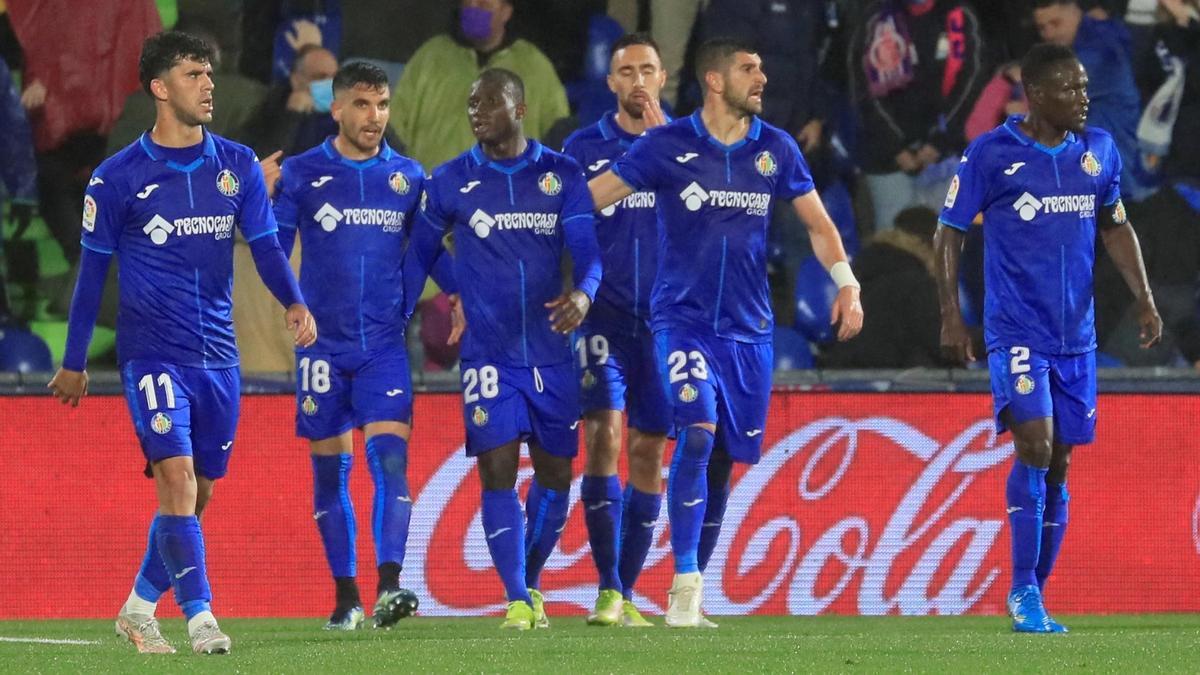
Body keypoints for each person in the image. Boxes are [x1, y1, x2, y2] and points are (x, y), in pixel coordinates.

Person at [46, 31, 316, 655]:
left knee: (199, 494)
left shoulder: (239, 166)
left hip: (220, 358)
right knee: (176, 478)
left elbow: (268, 247)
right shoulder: (117, 179)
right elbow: (91, 275)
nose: (208, 84)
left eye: (209, 73)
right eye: (194, 74)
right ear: (160, 89)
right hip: (153, 355)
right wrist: (74, 361)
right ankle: (201, 619)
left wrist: (294, 300)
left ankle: (139, 607)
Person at [587, 37, 863, 628]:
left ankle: (692, 586)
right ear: (715, 81)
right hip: (681, 323)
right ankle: (684, 588)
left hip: (749, 333)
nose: (762, 77)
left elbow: (817, 225)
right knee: (695, 432)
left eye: (763, 67)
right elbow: (591, 201)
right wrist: (532, 233)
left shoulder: (777, 150)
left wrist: (847, 283)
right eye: (748, 69)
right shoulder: (666, 145)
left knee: (722, 466)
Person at [934, 43, 1162, 633]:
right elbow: (949, 231)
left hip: (1076, 337)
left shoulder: (1098, 152)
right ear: (1036, 94)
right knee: (1033, 445)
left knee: (1059, 463)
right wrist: (952, 314)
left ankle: (1037, 590)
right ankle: (1021, 592)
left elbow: (1115, 225)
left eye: (1086, 87)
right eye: (1071, 88)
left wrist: (1144, 297)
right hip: (1016, 331)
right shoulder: (992, 154)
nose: (1084, 98)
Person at [407, 68, 601, 631]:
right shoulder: (449, 180)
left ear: (518, 109)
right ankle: (516, 597)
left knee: (556, 476)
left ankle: (530, 581)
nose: (475, 111)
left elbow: (588, 252)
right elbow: (420, 251)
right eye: (471, 102)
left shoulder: (561, 175)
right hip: (488, 355)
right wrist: (453, 289)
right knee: (495, 466)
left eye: (488, 102)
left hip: (551, 349)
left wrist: (584, 296)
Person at [271, 61, 448, 630]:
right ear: (338, 108)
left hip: (382, 348)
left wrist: (463, 293)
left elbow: (429, 250)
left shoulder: (408, 178)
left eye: (383, 105)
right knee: (330, 475)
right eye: (364, 105)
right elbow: (272, 244)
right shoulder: (302, 174)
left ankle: (390, 587)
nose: (376, 117)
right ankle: (344, 596)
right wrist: (292, 303)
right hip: (321, 348)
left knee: (391, 462)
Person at [561, 32, 670, 628]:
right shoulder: (582, 148)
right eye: (625, 70)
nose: (637, 80)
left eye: (646, 69)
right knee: (603, 436)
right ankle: (606, 588)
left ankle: (627, 591)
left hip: (667, 322)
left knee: (648, 451)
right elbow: (556, 226)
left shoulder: (686, 146)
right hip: (602, 318)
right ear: (610, 83)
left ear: (663, 76)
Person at [388, 0, 570, 172]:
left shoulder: (533, 65)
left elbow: (558, 131)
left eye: (484, 3)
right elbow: (394, 124)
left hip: (506, 195)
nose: (474, 8)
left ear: (506, 12)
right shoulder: (431, 57)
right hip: (436, 189)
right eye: (469, 2)